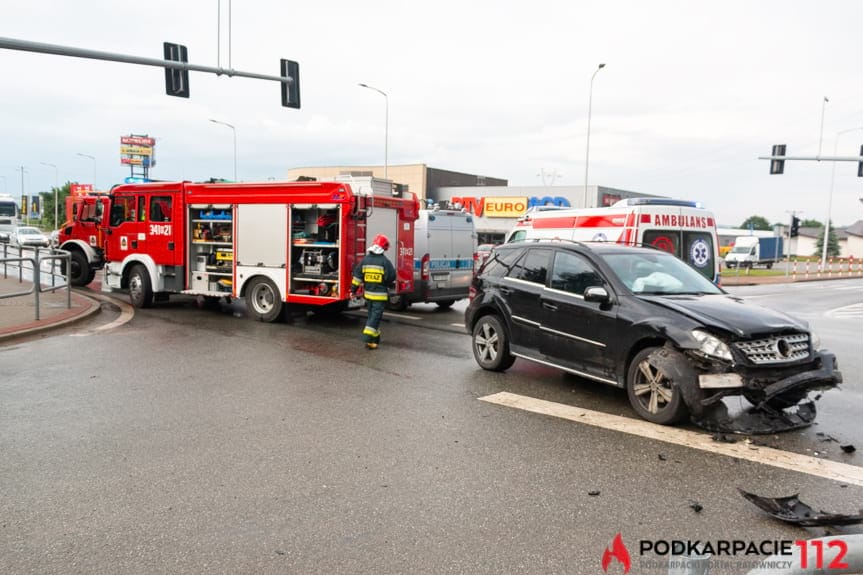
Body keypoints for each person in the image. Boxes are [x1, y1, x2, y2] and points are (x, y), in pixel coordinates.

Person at [351, 234, 396, 349]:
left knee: (372, 316)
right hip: (379, 297)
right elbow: (391, 277)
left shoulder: (365, 260)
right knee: (375, 318)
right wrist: (389, 285)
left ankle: (374, 340)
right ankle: (367, 336)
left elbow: (357, 276)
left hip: (368, 295)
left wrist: (353, 290)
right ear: (384, 248)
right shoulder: (385, 261)